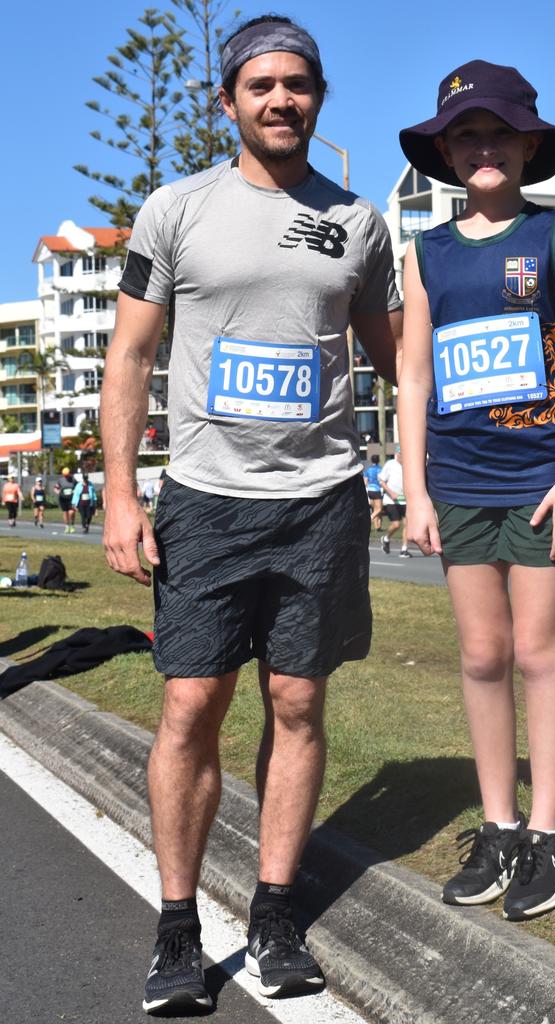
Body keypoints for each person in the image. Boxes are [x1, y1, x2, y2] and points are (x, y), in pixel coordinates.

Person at [100, 14, 401, 1015]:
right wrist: (118, 487)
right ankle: (177, 925)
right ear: (226, 100)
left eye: (299, 84)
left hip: (320, 503)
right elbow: (132, 359)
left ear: (318, 97)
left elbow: (400, 358)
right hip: (205, 501)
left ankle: (275, 911)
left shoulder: (359, 223)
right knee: (191, 708)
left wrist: (441, 464)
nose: (282, 99)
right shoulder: (175, 209)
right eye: (261, 84)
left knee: (299, 706)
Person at [397, 60, 555, 920]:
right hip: (458, 483)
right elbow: (411, 378)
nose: (484, 147)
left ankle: (552, 837)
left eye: (499, 132)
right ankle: (500, 826)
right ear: (446, 151)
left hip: (539, 479)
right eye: (466, 134)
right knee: (482, 655)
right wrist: (414, 490)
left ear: (528, 144)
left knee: (537, 650)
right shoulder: (425, 252)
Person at [379, 445, 410, 556]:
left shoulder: (408, 465)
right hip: (391, 500)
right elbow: (381, 480)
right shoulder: (390, 464)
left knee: (408, 525)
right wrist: (391, 493)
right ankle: (386, 538)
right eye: (402, 455)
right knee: (396, 525)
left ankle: (404, 549)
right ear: (397, 454)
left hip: (405, 500)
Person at [363, 454, 383, 530]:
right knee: (379, 509)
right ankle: (368, 520)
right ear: (378, 460)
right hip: (377, 490)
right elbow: (382, 480)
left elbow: (365, 482)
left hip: (369, 490)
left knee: (375, 508)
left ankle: (377, 527)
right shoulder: (380, 469)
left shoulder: (368, 470)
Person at [54, 467, 77, 533]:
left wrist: (75, 492)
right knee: (65, 513)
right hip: (63, 499)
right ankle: (67, 526)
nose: (66, 476)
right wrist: (58, 492)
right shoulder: (61, 480)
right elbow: (56, 488)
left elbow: (77, 487)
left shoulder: (73, 479)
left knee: (72, 512)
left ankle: (72, 525)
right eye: (65, 475)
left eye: (67, 475)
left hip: (71, 499)